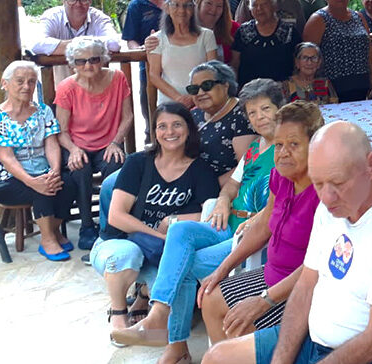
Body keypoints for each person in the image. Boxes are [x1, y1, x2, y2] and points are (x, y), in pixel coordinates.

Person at [202, 121, 372, 364]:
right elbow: (306, 285)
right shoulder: (333, 205)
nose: (327, 198)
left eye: (338, 184)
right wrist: (281, 359)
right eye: (318, 184)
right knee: (218, 357)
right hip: (318, 341)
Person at [109, 79, 286, 363]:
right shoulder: (255, 148)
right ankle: (158, 315)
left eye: (265, 109)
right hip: (226, 223)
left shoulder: (286, 149)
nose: (259, 117)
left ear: (281, 108)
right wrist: (225, 201)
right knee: (181, 231)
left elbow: (282, 205)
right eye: (252, 113)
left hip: (249, 234)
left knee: (185, 266)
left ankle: (175, 344)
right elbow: (231, 185)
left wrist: (255, 219)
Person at [196, 102, 324, 348]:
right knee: (211, 297)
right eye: (278, 144)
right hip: (272, 275)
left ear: (314, 146)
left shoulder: (323, 192)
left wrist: (264, 301)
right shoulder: (280, 175)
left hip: (303, 289)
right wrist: (223, 269)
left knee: (241, 329)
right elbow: (265, 224)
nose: (283, 152)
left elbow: (316, 265)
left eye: (294, 144)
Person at [90, 102, 219, 334]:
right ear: (155, 132)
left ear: (189, 129)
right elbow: (116, 216)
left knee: (174, 312)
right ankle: (119, 312)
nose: (170, 132)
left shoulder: (201, 170)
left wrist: (173, 221)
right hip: (122, 242)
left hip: (163, 253)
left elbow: (209, 213)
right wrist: (156, 234)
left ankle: (144, 292)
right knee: (127, 255)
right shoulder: (138, 162)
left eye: (177, 125)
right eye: (162, 126)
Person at [0, 61, 74, 261]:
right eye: (20, 81)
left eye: (31, 82)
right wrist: (32, 181)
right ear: (5, 84)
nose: (26, 86)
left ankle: (52, 230)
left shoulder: (43, 110)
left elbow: (51, 143)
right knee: (40, 188)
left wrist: (54, 169)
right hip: (6, 178)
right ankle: (47, 240)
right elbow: (7, 158)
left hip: (40, 169)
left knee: (68, 181)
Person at [56, 37, 133, 250]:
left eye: (94, 59)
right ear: (72, 64)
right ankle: (87, 227)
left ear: (103, 59)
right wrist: (72, 149)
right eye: (80, 61)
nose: (88, 65)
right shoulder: (67, 87)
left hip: (108, 143)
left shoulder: (117, 78)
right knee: (80, 169)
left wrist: (116, 142)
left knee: (116, 165)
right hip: (76, 144)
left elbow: (128, 117)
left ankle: (111, 223)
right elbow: (61, 131)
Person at [303, 0, 372, 102]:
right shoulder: (318, 19)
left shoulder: (358, 17)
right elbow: (307, 56)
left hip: (361, 85)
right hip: (331, 89)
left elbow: (369, 50)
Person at [31, 0, 122, 83]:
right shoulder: (52, 16)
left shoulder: (98, 17)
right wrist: (88, 46)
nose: (78, 4)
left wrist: (67, 46)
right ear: (63, 1)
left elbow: (114, 44)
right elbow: (36, 44)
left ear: (90, 1)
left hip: (92, 86)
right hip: (56, 86)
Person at [148, 0, 218, 107]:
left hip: (201, 101)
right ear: (167, 8)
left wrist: (193, 98)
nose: (182, 10)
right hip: (169, 103)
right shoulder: (157, 39)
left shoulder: (207, 35)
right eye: (176, 5)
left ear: (194, 8)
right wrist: (179, 98)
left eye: (187, 5)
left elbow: (212, 71)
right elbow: (154, 75)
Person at [188, 61, 256, 185]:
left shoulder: (243, 114)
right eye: (194, 89)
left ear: (225, 86)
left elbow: (246, 167)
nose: (200, 93)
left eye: (207, 85)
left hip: (226, 189)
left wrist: (208, 187)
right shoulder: (194, 114)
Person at [123, 0, 168, 134]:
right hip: (149, 70)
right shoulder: (135, 6)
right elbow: (130, 39)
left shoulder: (176, 0)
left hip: (178, 63)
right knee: (151, 113)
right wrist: (139, 49)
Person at [231, 0, 303, 85]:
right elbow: (235, 63)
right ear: (250, 10)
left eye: (264, 4)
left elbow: (299, 63)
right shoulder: (243, 31)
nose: (259, 8)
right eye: (254, 5)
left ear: (275, 7)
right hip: (250, 90)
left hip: (283, 89)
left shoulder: (289, 31)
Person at [197, 0, 240, 64]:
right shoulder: (187, 27)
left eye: (219, 6)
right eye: (209, 3)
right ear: (199, 3)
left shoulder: (233, 28)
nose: (213, 10)